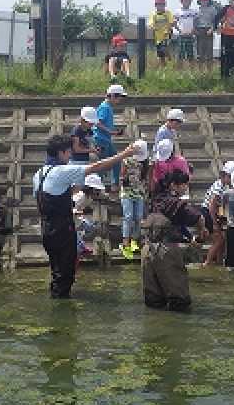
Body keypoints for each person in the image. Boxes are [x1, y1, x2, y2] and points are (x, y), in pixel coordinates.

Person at [33, 135, 136, 298]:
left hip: (47, 229)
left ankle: (57, 302)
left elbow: (46, 200)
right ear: (61, 153)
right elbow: (98, 166)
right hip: (63, 231)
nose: (69, 157)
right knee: (66, 275)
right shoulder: (61, 171)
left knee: (57, 272)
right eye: (68, 153)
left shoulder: (39, 174)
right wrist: (124, 155)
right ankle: (63, 314)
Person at [146, 169, 206, 311]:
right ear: (173, 185)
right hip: (166, 252)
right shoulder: (174, 203)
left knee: (154, 302)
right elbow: (198, 217)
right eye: (184, 184)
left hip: (148, 251)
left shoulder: (155, 198)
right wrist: (202, 231)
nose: (186, 187)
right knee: (180, 302)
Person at [201, 160, 234, 266]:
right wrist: (214, 223)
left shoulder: (223, 185)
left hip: (213, 213)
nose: (233, 180)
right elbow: (211, 206)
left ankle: (219, 261)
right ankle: (207, 263)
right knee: (219, 240)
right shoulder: (218, 187)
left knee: (222, 240)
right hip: (208, 213)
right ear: (224, 175)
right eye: (231, 177)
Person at [92, 84, 127, 191]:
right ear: (112, 96)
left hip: (105, 139)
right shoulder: (105, 107)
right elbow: (98, 123)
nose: (120, 100)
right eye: (119, 97)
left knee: (116, 160)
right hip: (101, 140)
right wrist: (111, 132)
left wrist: (112, 132)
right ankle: (97, 188)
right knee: (104, 165)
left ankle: (114, 184)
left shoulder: (107, 107)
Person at [119, 139, 149, 258]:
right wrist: (124, 182)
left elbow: (146, 177)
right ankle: (125, 242)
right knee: (128, 216)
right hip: (127, 192)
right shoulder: (126, 160)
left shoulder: (146, 162)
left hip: (139, 192)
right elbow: (122, 175)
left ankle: (134, 241)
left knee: (138, 217)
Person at [194, 0, 219, 73]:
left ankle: (210, 72)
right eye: (202, 0)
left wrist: (212, 29)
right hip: (199, 31)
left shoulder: (212, 9)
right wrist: (195, 30)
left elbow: (215, 21)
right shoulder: (197, 10)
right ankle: (200, 72)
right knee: (200, 53)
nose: (204, 1)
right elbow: (194, 21)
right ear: (199, 1)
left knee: (209, 53)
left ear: (209, 0)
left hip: (209, 30)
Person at [150, 0, 175, 67]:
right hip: (158, 36)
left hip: (167, 34)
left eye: (162, 4)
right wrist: (153, 27)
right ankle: (164, 67)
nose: (160, 6)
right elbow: (151, 23)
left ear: (165, 5)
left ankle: (170, 59)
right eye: (159, 4)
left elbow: (171, 22)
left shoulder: (168, 13)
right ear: (156, 5)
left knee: (164, 48)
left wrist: (167, 30)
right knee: (160, 54)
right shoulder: (154, 14)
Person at [175, 0, 198, 64]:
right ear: (181, 1)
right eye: (185, 0)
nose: (187, 2)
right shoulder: (177, 11)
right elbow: (174, 23)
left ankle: (192, 72)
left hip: (191, 35)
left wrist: (193, 30)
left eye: (189, 0)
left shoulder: (194, 11)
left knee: (191, 55)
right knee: (180, 55)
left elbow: (196, 22)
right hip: (181, 35)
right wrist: (180, 30)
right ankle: (179, 72)